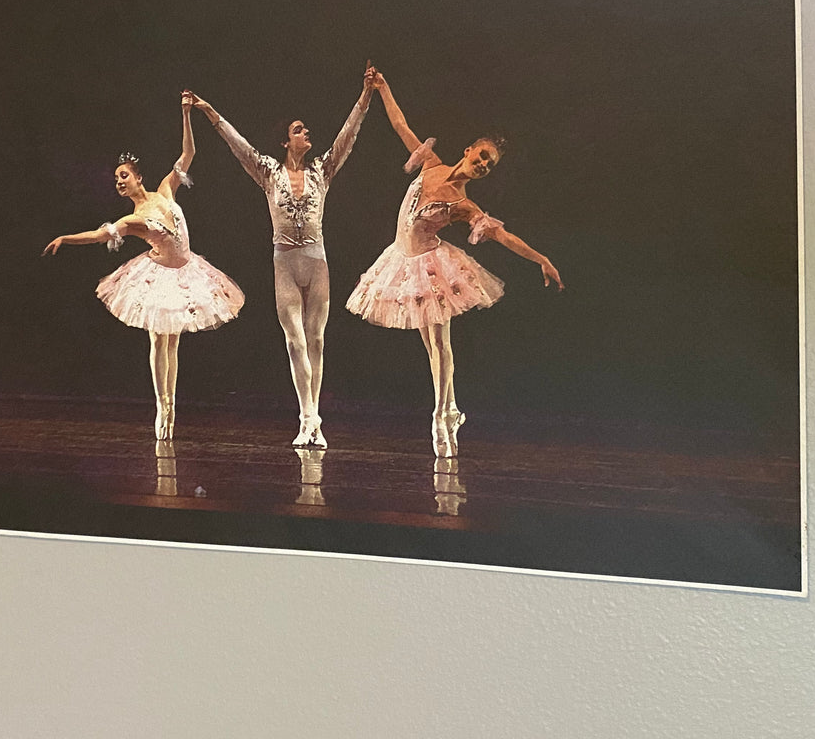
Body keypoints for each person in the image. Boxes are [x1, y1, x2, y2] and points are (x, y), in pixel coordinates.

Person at [348, 71, 563, 457]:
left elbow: (503, 236)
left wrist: (541, 259)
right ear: (467, 151)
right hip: (401, 261)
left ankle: (441, 415)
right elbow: (399, 123)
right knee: (430, 346)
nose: (483, 165)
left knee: (441, 344)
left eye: (490, 165)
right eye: (482, 156)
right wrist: (382, 88)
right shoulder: (429, 163)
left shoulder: (464, 205)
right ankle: (449, 409)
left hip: (431, 267)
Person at [186, 64, 377, 447]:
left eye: (306, 130)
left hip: (316, 260)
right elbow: (236, 143)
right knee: (294, 341)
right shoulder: (268, 172)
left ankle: (314, 418)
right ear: (286, 141)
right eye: (298, 130)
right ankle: (306, 416)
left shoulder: (322, 169)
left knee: (317, 340)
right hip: (285, 263)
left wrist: (366, 94)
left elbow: (349, 135)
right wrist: (209, 112)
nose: (306, 133)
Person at [42, 93, 244, 440]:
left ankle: (172, 406)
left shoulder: (166, 190)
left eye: (123, 175)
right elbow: (98, 234)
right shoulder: (133, 219)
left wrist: (186, 114)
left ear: (138, 177)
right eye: (116, 179)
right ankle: (161, 405)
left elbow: (188, 155)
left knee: (174, 342)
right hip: (158, 276)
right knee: (158, 340)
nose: (119, 181)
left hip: (187, 272)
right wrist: (66, 238)